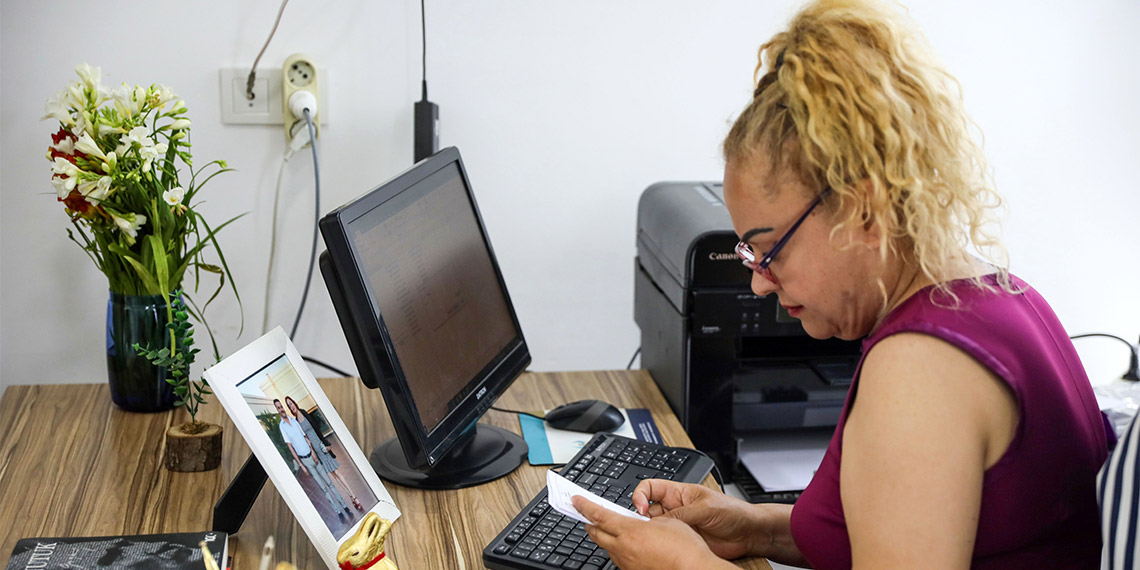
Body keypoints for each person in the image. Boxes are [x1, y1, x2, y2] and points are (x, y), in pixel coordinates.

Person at [572, 1, 1108, 568]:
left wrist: (688, 566)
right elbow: (901, 529)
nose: (757, 285)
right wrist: (750, 527)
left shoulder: (920, 370)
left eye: (768, 248)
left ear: (861, 210)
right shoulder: (1000, 292)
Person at [275, 398, 353, 523]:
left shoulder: (293, 421)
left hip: (313, 456)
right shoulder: (282, 427)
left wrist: (313, 452)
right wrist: (301, 465)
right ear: (277, 410)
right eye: (278, 407)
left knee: (330, 483)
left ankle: (345, 506)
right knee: (323, 488)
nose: (281, 409)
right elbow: (291, 448)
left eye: (282, 406)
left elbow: (306, 437)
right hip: (306, 462)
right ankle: (338, 512)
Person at [284, 396, 365, 512]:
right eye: (289, 405)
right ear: (289, 408)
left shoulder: (304, 413)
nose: (291, 406)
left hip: (322, 447)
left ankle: (354, 497)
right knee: (334, 475)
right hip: (316, 452)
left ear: (294, 403)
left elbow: (317, 429)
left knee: (337, 472)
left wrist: (326, 443)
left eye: (291, 403)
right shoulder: (295, 422)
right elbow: (304, 439)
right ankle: (351, 497)